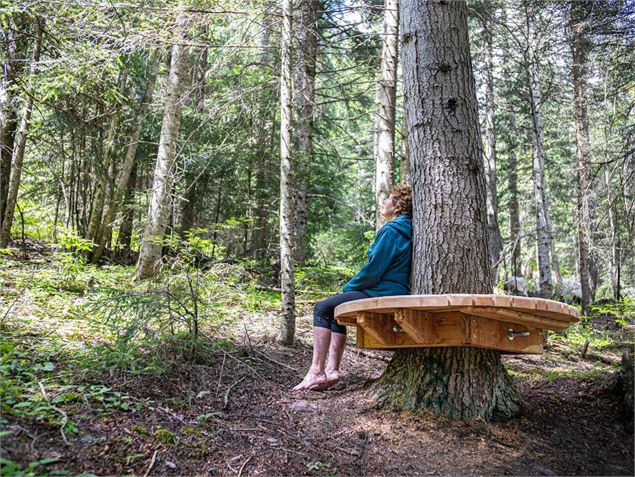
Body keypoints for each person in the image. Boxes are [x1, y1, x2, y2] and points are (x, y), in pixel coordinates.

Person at [293, 184, 413, 391]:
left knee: (321, 308)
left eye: (388, 199)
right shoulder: (408, 229)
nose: (383, 202)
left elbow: (374, 269)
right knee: (334, 309)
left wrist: (350, 287)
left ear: (398, 206)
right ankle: (330, 372)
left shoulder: (392, 230)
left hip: (382, 290)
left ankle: (315, 372)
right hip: (395, 289)